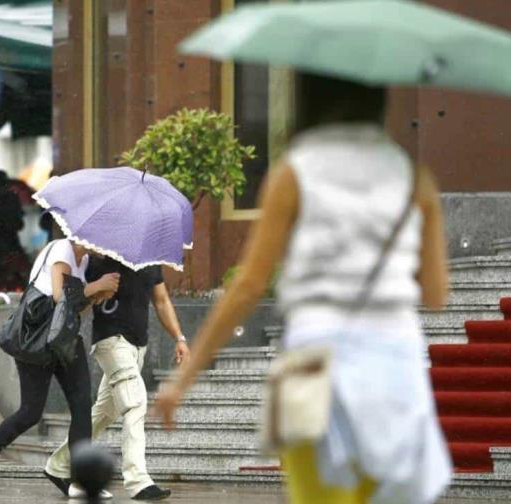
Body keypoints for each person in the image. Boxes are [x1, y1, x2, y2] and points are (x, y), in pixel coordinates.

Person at [156, 73, 452, 504]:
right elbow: (437, 294)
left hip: (313, 361)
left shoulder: (294, 171)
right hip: (395, 364)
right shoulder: (413, 178)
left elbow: (249, 286)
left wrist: (183, 379)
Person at [0, 238, 120, 496]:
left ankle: (80, 480)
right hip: (36, 340)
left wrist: (96, 296)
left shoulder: (83, 260)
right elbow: (60, 295)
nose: (103, 245)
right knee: (30, 412)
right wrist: (96, 286)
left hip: (64, 340)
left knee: (82, 406)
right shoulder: (61, 249)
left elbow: (72, 310)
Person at [45, 256, 190, 500]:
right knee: (135, 403)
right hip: (111, 341)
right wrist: (98, 287)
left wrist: (180, 338)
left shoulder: (150, 260)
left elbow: (162, 300)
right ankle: (138, 481)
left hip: (138, 346)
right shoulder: (99, 259)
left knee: (104, 412)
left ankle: (58, 465)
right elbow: (73, 301)